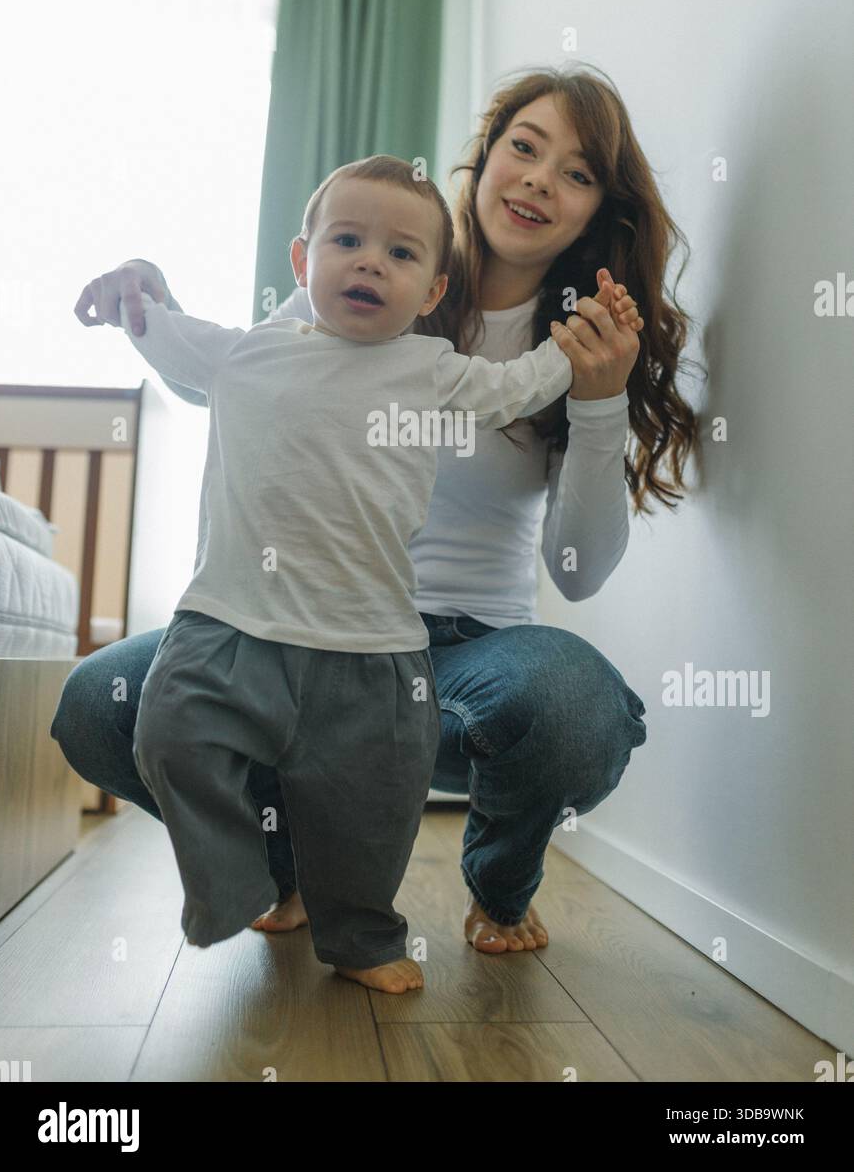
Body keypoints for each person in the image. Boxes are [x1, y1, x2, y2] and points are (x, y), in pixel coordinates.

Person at [59, 61, 696, 961]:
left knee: (568, 704)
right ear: (483, 161)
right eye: (525, 147)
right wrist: (147, 300)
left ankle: (500, 888)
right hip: (294, 636)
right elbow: (235, 373)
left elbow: (578, 575)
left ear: (597, 210)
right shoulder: (365, 274)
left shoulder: (575, 347)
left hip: (462, 667)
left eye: (579, 172)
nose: (541, 180)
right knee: (100, 700)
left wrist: (597, 404)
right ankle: (287, 866)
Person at [102, 154, 612, 994]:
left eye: (403, 255)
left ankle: (365, 938)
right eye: (348, 241)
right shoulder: (246, 353)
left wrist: (583, 342)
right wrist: (133, 290)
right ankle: (243, 882)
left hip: (372, 647)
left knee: (365, 810)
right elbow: (163, 328)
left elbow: (521, 385)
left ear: (432, 292)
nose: (373, 261)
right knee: (168, 737)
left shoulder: (432, 372)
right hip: (227, 624)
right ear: (303, 264)